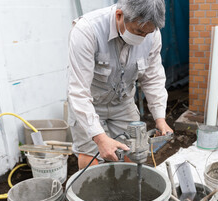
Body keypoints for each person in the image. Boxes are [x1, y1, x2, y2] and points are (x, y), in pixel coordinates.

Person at [67, 0, 173, 169]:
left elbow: (153, 77)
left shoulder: (152, 34)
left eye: (147, 33)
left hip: (123, 102)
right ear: (119, 15)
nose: (142, 38)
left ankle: (129, 191)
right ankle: (93, 192)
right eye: (138, 31)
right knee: (90, 155)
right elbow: (79, 92)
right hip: (90, 103)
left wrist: (160, 118)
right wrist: (100, 138)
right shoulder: (86, 30)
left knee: (135, 151)